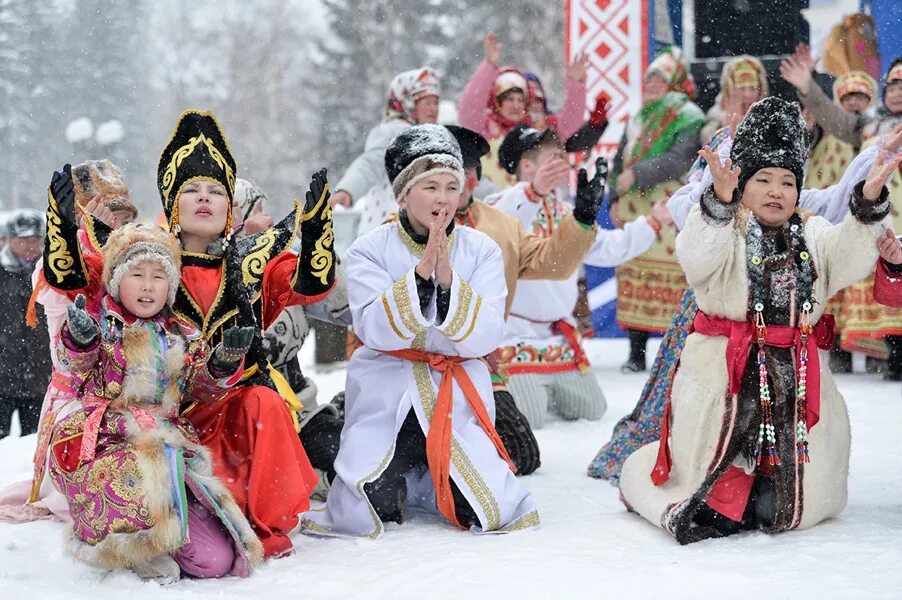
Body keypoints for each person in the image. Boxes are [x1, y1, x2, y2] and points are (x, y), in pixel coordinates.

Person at [42, 109, 336, 558]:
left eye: (215, 191)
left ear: (230, 209)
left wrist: (317, 231)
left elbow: (310, 285)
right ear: (171, 205)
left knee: (267, 401)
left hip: (232, 412)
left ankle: (261, 522)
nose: (204, 198)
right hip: (162, 414)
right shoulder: (148, 258)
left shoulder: (252, 264)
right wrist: (62, 227)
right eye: (192, 190)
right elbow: (76, 277)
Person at [617, 97, 896, 544]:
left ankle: (772, 490)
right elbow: (696, 257)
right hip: (724, 379)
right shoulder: (723, 229)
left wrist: (867, 201)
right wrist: (719, 204)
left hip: (798, 378)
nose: (775, 191)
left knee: (783, 505)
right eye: (763, 179)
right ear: (742, 184)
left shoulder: (813, 232)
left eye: (787, 182)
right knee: (716, 507)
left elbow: (848, 255)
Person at [301, 124, 538, 537]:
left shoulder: (480, 250)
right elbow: (373, 329)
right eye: (431, 186)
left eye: (451, 186)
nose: (444, 198)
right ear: (403, 194)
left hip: (455, 396)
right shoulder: (369, 249)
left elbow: (487, 334)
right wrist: (421, 276)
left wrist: (448, 285)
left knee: (481, 509)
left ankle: (434, 472)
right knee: (372, 506)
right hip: (386, 395)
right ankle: (385, 471)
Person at [46, 222, 262, 582]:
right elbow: (76, 366)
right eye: (137, 274)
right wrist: (80, 342)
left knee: (216, 561)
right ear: (117, 281)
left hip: (170, 442)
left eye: (158, 276)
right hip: (111, 439)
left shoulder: (180, 333)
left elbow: (199, 386)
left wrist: (221, 362)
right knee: (139, 472)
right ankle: (131, 551)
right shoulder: (101, 326)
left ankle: (169, 538)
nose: (148, 285)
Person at [486, 125, 669, 429]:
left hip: (558, 335)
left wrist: (652, 222)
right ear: (526, 166)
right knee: (528, 416)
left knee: (591, 409)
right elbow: (500, 230)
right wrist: (534, 192)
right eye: (553, 158)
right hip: (515, 334)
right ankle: (506, 391)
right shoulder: (499, 205)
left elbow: (607, 248)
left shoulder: (566, 211)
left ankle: (536, 388)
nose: (562, 163)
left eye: (562, 158)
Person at [0, 159, 139, 523]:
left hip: (129, 396)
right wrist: (83, 237)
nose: (119, 228)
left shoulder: (138, 258)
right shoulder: (61, 262)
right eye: (110, 218)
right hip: (77, 402)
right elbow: (61, 288)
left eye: (125, 220)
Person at [608, 46, 705, 373]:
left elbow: (679, 159)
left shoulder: (689, 116)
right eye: (648, 78)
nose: (650, 84)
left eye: (659, 79)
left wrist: (636, 175)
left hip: (667, 205)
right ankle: (636, 353)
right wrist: (613, 198)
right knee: (636, 274)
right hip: (634, 207)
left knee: (672, 278)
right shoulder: (639, 117)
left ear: (676, 82)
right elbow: (620, 159)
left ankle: (676, 353)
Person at [458, 32, 588, 189]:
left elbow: (571, 121)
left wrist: (575, 84)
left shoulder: (538, 127)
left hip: (536, 202)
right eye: (509, 99)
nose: (516, 105)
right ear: (496, 102)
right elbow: (468, 109)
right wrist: (489, 66)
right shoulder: (484, 127)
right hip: (494, 204)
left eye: (520, 100)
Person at [330, 67, 441, 236]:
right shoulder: (393, 132)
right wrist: (348, 190)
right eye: (427, 102)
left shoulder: (434, 137)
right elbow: (370, 163)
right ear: (407, 103)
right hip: (387, 225)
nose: (433, 109)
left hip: (419, 228)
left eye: (436, 102)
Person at [0, 210, 51, 439]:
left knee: (34, 443)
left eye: (36, 240)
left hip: (40, 378)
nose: (31, 246)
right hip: (2, 377)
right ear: (9, 240)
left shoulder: (50, 273)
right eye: (24, 240)